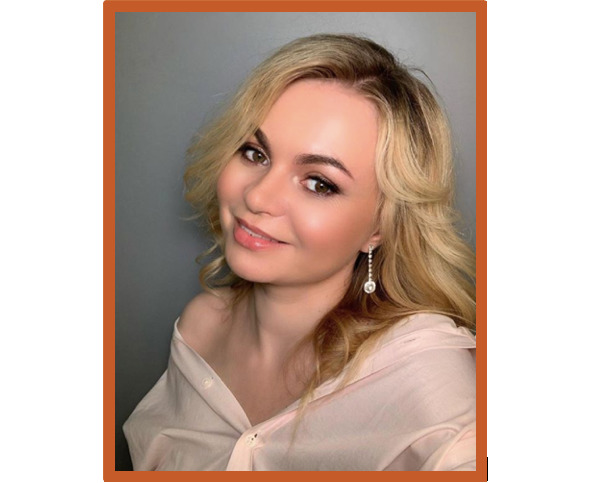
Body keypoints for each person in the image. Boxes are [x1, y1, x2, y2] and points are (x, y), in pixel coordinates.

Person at [123, 34, 476, 471]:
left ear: (380, 228)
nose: (257, 196)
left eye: (319, 183)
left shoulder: (427, 379)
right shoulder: (201, 329)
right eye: (255, 153)